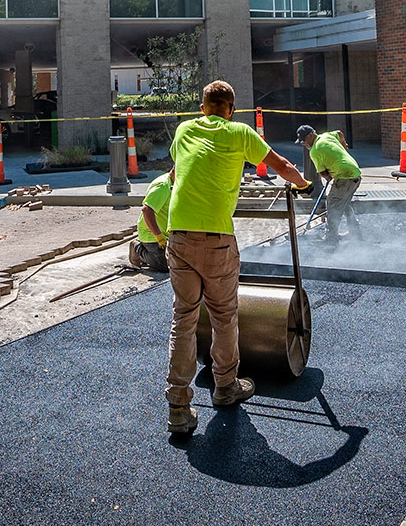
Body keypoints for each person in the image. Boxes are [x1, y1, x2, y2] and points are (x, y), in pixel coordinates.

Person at [163, 80, 311, 437]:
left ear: (202, 107)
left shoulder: (184, 130)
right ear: (231, 109)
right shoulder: (240, 133)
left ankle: (179, 408)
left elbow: (178, 170)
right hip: (216, 240)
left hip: (178, 235)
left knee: (183, 319)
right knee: (223, 316)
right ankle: (225, 386)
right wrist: (304, 185)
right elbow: (282, 166)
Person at [296, 124, 362, 238]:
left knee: (332, 205)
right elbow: (339, 133)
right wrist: (344, 147)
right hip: (355, 174)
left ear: (311, 135)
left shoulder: (314, 151)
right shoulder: (326, 136)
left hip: (344, 177)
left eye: (304, 140)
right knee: (344, 202)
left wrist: (328, 177)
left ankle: (331, 238)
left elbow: (322, 173)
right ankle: (355, 231)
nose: (303, 143)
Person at [131, 172, 172, 272]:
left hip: (168, 234)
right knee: (165, 265)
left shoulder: (175, 183)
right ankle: (137, 248)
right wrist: (158, 236)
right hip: (153, 235)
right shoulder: (162, 186)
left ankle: (151, 254)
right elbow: (147, 210)